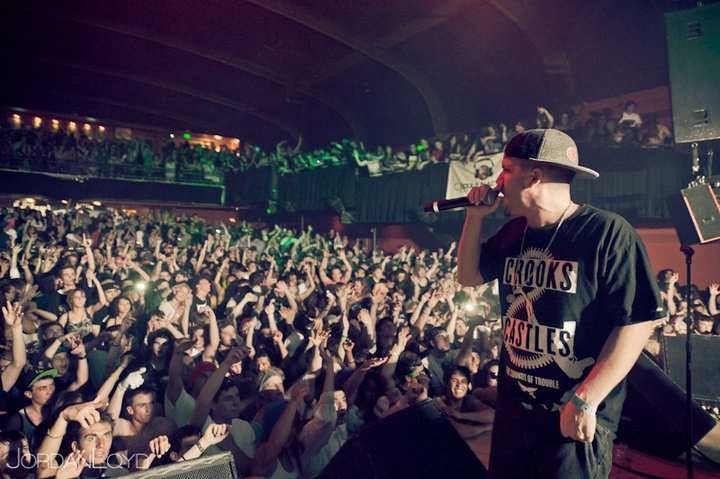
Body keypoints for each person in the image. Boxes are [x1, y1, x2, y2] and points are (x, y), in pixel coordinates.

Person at [456, 129, 663, 478]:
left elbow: (638, 322)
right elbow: (468, 276)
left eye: (506, 169)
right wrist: (474, 217)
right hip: (513, 414)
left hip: (571, 415)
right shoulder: (513, 232)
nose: (498, 181)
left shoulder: (606, 233)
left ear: (533, 176)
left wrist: (586, 399)